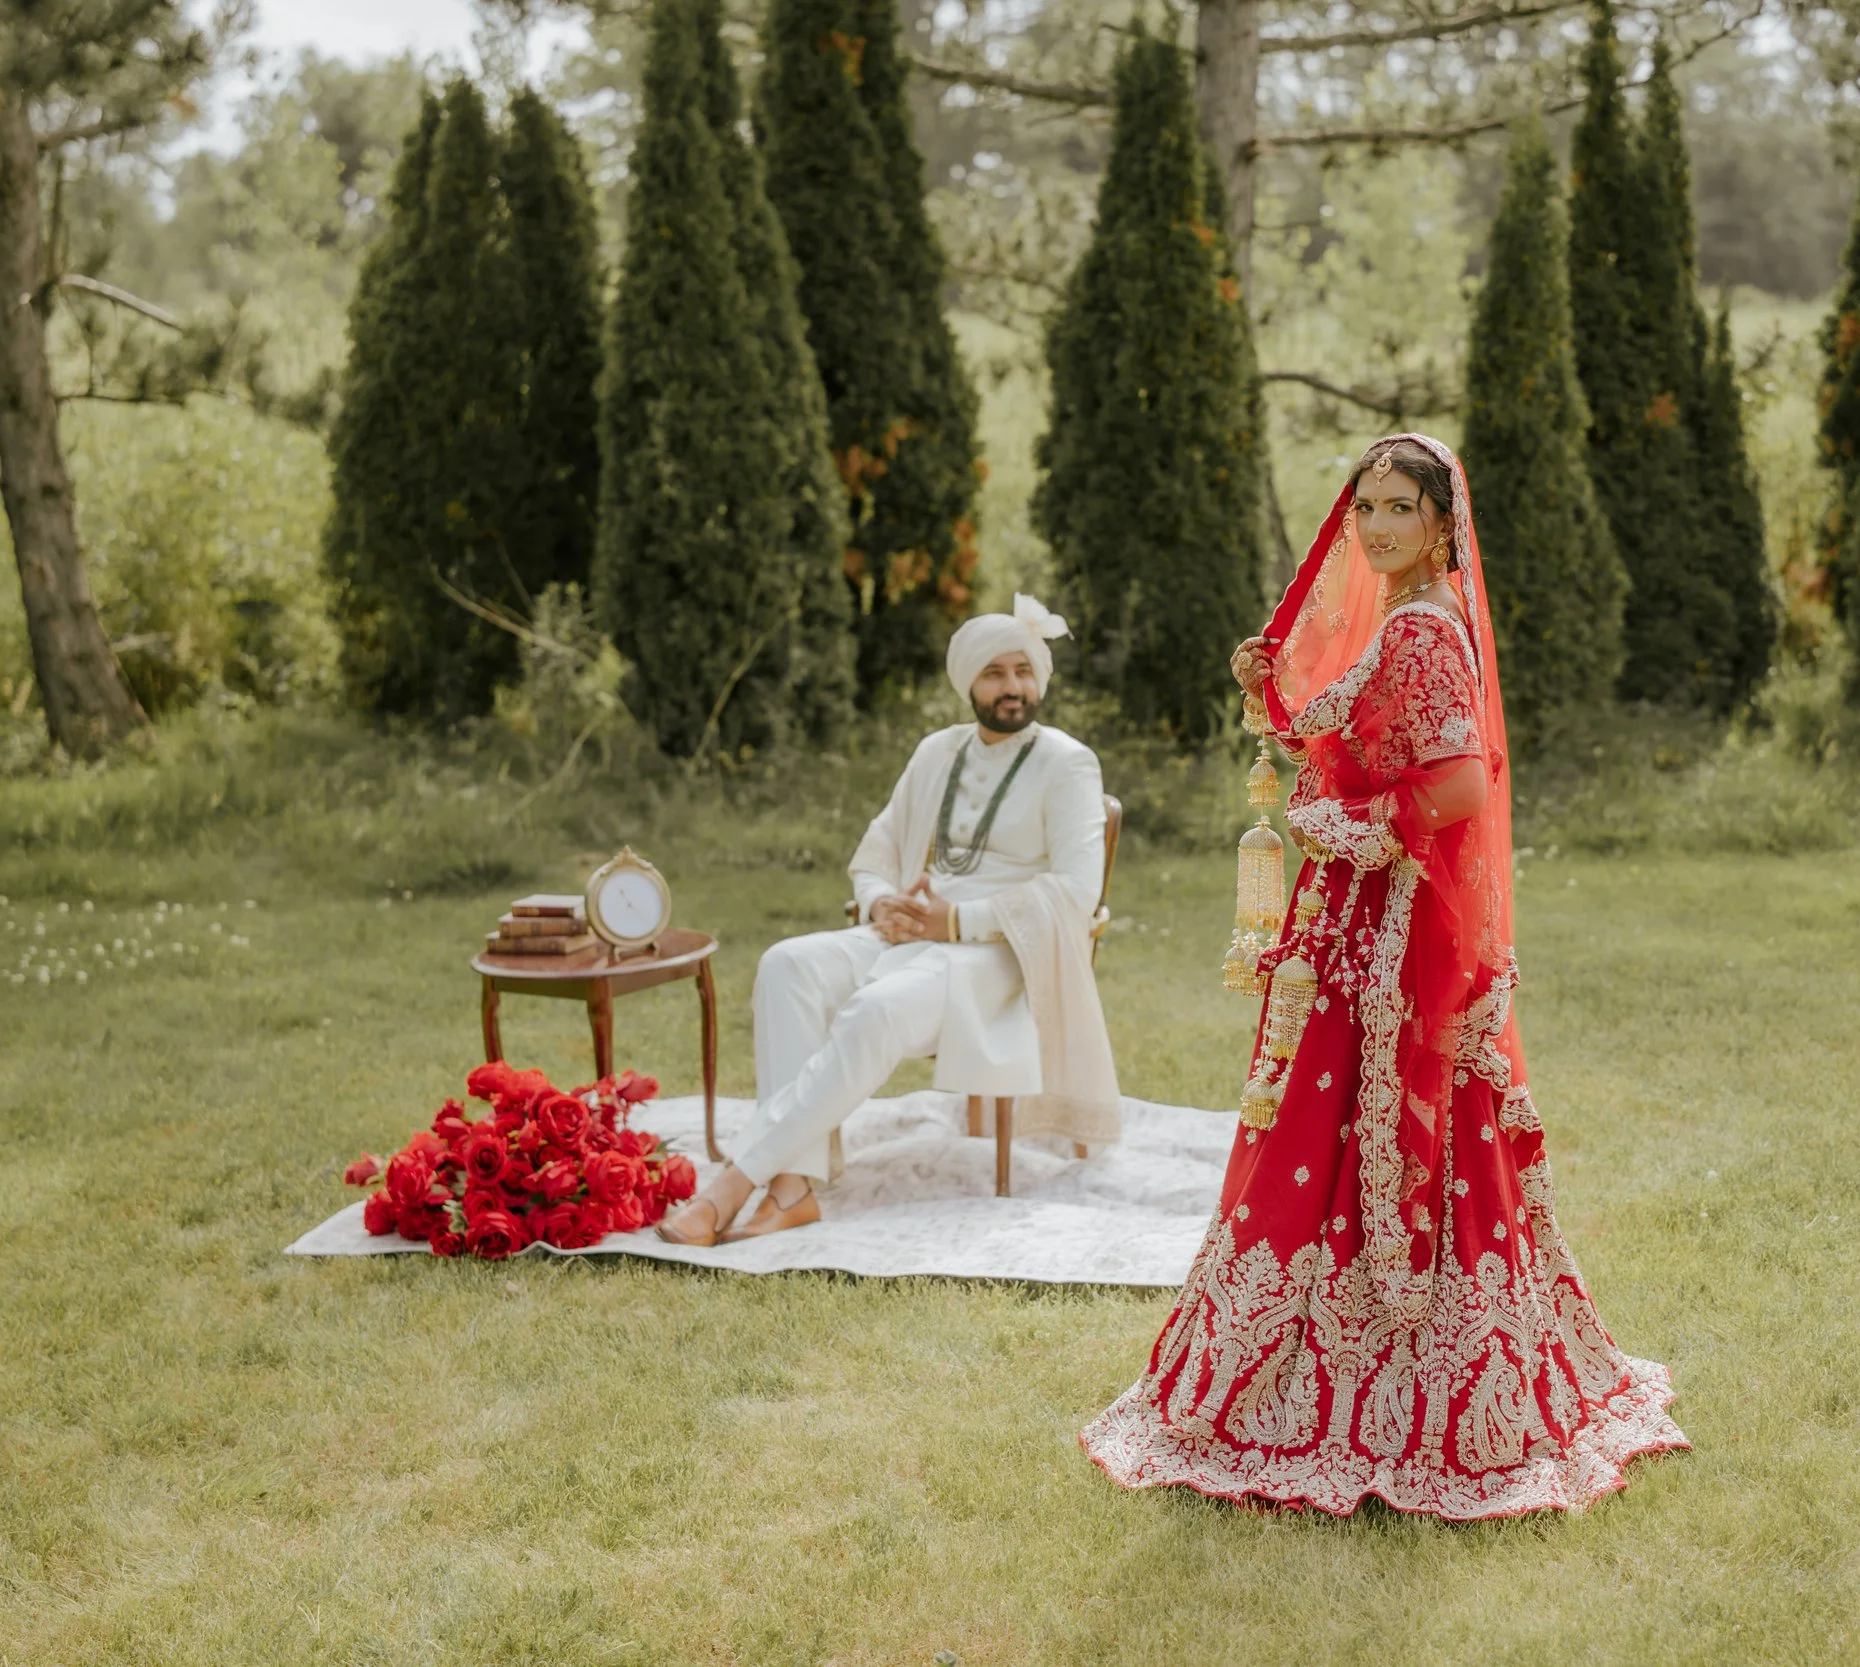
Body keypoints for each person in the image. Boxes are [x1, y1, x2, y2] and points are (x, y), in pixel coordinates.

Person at [1080, 435, 1686, 1519]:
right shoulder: (1416, 618)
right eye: (1364, 507)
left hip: (1391, 923)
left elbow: (1457, 787)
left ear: (1444, 522)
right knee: (1348, 1128)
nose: (1374, 526)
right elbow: (1359, 732)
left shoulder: (1422, 628)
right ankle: (1396, 1366)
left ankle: (1391, 1385)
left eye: (1400, 507)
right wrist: (1285, 714)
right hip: (1367, 916)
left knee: (1366, 1126)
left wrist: (1339, 822)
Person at [659, 597, 1120, 1245]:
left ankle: (731, 1186)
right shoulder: (937, 752)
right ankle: (792, 1188)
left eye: (1023, 671)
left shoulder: (1067, 762)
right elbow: (876, 854)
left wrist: (955, 920)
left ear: (1039, 679)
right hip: (909, 933)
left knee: (874, 1009)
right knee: (786, 965)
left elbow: (1075, 891)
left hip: (1000, 956)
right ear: (969, 683)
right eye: (994, 673)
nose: (1012, 687)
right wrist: (882, 903)